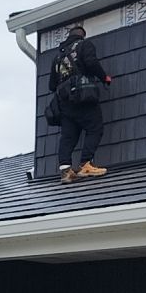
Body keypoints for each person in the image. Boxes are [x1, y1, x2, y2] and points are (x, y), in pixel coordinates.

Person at [49, 25, 112, 184]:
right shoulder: (84, 45)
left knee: (68, 135)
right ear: (82, 36)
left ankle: (65, 171)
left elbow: (51, 85)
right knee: (95, 127)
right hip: (83, 96)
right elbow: (91, 63)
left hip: (65, 103)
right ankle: (85, 164)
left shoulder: (57, 57)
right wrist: (104, 78)